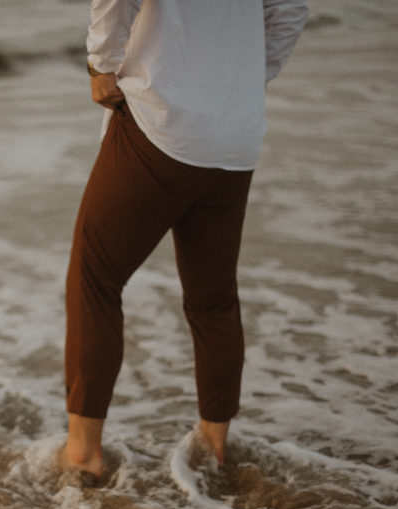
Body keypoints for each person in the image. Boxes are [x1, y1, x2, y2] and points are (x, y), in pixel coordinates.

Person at [62, 0, 309, 478]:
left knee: (95, 278)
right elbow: (290, 7)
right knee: (213, 298)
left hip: (164, 122)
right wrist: (243, 80)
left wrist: (102, 64)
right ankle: (215, 446)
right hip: (234, 135)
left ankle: (83, 451)